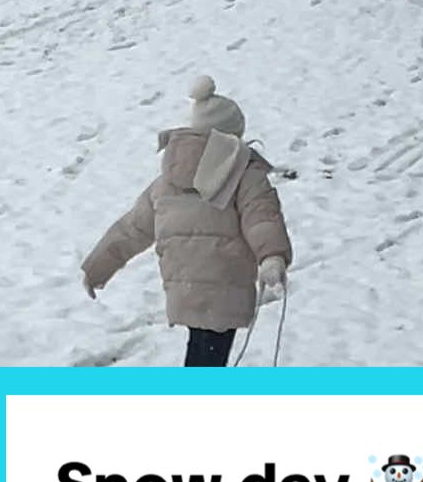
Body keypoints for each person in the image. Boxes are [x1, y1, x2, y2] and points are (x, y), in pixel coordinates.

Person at [81, 77, 292, 369]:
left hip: (185, 287)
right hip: (226, 285)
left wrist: (97, 267)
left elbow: (132, 228)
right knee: (209, 359)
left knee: (200, 353)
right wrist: (272, 256)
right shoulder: (244, 173)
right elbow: (261, 216)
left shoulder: (166, 182)